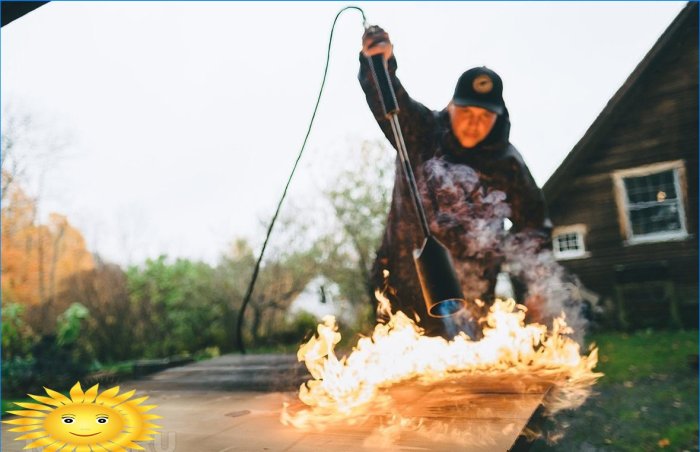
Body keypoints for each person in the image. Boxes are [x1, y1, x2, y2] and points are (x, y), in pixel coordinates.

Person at [359, 26, 553, 337]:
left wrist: (535, 287)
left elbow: (532, 227)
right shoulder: (421, 133)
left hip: (473, 293)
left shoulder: (508, 164)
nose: (473, 124)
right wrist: (378, 64)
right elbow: (389, 103)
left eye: (484, 117)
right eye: (466, 112)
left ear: (498, 117)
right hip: (404, 285)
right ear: (451, 106)